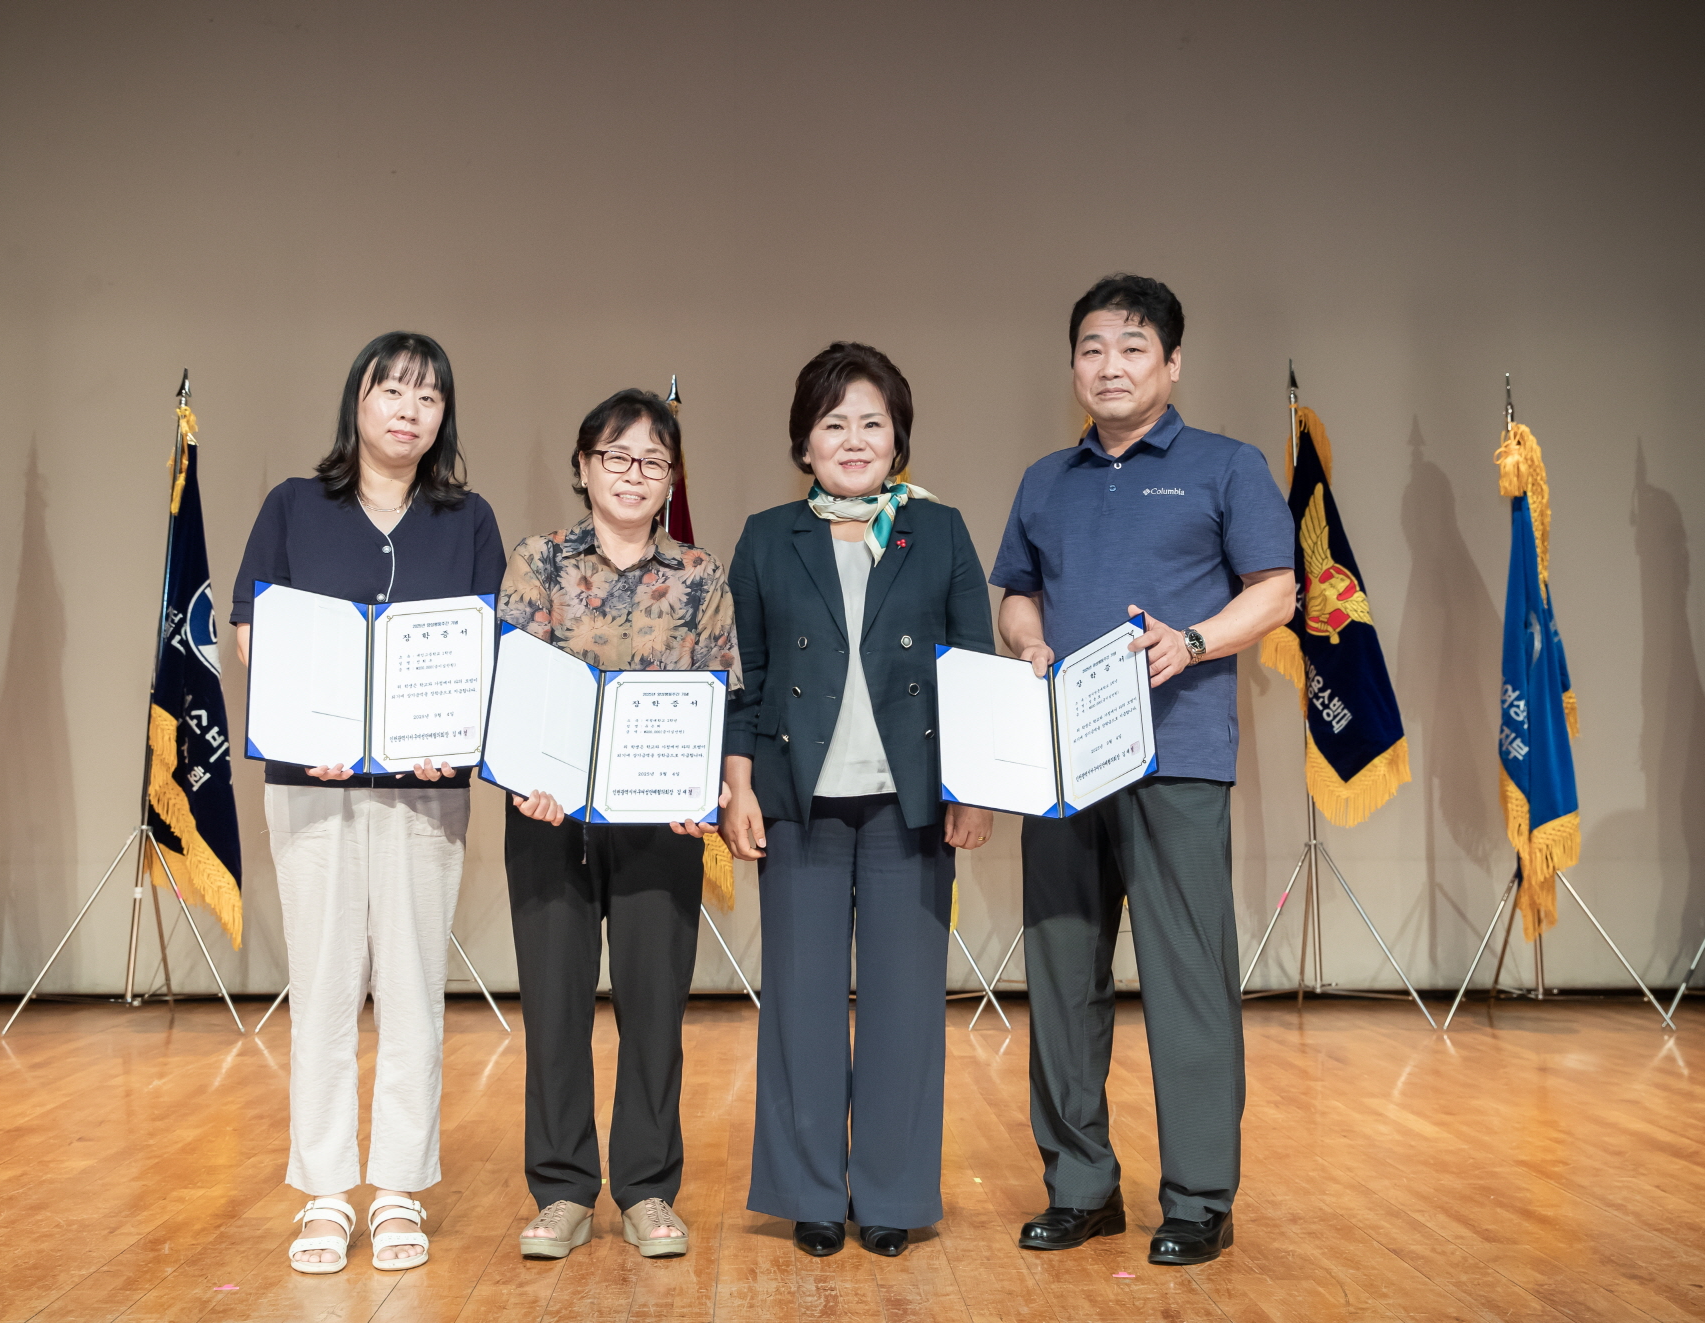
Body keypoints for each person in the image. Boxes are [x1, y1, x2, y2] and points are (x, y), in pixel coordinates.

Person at [990, 276, 1294, 1265]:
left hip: (1178, 757)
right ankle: (1080, 1187)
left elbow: (1276, 592)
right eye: (1091, 349)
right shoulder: (1045, 479)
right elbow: (1016, 595)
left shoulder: (1226, 465)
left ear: (1172, 363)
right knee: (1061, 975)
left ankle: (1199, 1198)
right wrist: (1027, 644)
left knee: (1187, 978)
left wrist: (1192, 640)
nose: (1109, 366)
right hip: (1062, 767)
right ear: (1072, 366)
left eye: (1131, 347)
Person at [231, 331, 505, 1274]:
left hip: (424, 789)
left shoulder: (468, 519)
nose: (408, 410)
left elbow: (486, 647)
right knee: (324, 987)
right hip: (313, 784)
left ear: (443, 417)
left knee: (414, 988)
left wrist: (452, 730)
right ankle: (323, 1191)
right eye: (392, 390)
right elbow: (250, 631)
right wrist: (309, 720)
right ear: (357, 398)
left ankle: (396, 1188)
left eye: (428, 396)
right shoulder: (294, 505)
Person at [721, 342, 994, 1259]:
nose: (853, 439)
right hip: (797, 802)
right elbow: (746, 678)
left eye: (872, 422)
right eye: (833, 422)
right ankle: (807, 1191)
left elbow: (972, 670)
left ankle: (891, 1193)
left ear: (897, 437)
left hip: (907, 806)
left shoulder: (940, 530)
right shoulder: (767, 536)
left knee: (905, 1006)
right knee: (799, 1002)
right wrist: (738, 784)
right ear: (804, 442)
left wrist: (972, 789)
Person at [500, 388, 738, 1262]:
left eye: (653, 461)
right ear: (584, 464)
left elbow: (721, 689)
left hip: (659, 828)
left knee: (655, 1012)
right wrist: (529, 775)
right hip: (549, 819)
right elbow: (516, 684)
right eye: (616, 456)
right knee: (555, 1010)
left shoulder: (701, 573)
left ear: (671, 477)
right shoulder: (539, 560)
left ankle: (646, 1187)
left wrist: (701, 785)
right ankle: (562, 1189)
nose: (634, 474)